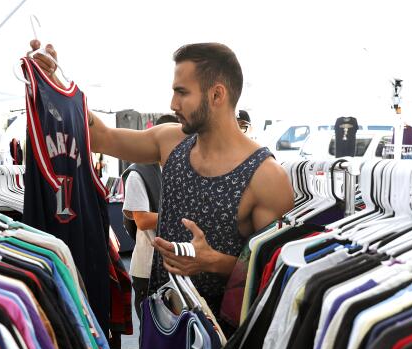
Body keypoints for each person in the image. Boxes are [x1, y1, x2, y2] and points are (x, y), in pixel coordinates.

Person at [30, 40, 294, 318]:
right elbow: (100, 137)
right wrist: (54, 81)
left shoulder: (266, 176)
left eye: (182, 92)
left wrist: (211, 261)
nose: (172, 104)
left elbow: (275, 272)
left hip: (222, 344)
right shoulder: (171, 140)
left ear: (217, 95)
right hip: (160, 322)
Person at [121, 113, 180, 319]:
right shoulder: (139, 173)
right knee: (151, 332)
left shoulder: (179, 169)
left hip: (178, 264)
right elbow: (142, 220)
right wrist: (182, 215)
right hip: (148, 268)